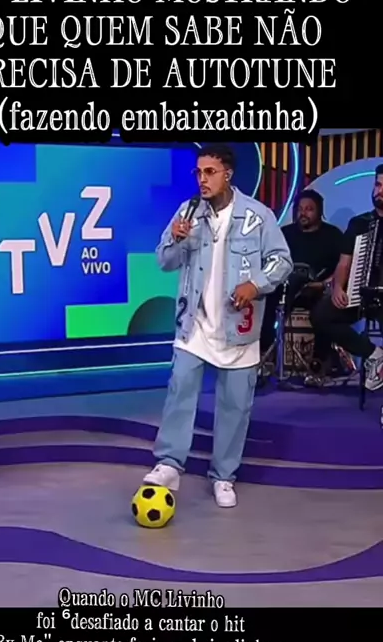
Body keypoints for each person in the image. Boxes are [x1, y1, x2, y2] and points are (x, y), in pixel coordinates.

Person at [143, 144, 293, 508]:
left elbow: (282, 261)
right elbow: (164, 261)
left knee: (234, 406)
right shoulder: (188, 211)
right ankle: (169, 463)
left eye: (209, 172)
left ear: (228, 174)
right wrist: (176, 239)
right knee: (180, 391)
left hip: (238, 328)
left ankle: (224, 476)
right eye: (198, 172)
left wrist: (255, 284)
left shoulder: (257, 216)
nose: (202, 179)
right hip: (193, 324)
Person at [310, 164, 383, 392]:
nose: (379, 191)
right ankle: (374, 354)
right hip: (361, 294)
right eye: (378, 185)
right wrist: (338, 288)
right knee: (321, 314)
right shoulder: (359, 223)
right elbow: (344, 262)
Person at [260, 189, 343, 377]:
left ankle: (318, 363)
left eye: (309, 209)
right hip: (286, 288)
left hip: (319, 289)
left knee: (324, 312)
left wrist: (324, 284)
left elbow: (343, 267)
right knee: (266, 299)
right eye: (300, 209)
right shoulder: (285, 234)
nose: (303, 213)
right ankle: (265, 354)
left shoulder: (333, 235)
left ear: (319, 212)